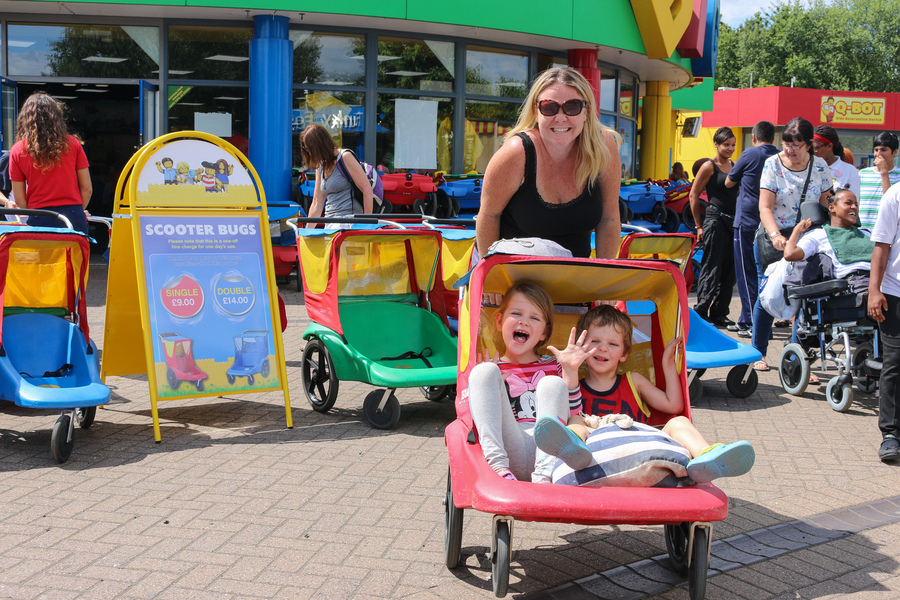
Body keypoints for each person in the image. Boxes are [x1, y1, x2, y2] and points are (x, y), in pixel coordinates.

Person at [534, 305, 754, 483]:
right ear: (582, 346)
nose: (603, 349)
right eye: (595, 342)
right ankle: (572, 449)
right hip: (596, 453)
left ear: (624, 353)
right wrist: (569, 369)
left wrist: (667, 365)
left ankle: (706, 457)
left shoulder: (633, 381)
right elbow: (569, 406)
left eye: (612, 344)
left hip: (639, 446)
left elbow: (673, 406)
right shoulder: (576, 386)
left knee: (678, 421)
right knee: (575, 420)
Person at [476, 67, 622, 259]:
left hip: (573, 277)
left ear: (586, 112)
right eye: (549, 107)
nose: (561, 117)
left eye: (572, 106)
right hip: (516, 276)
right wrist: (491, 276)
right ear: (536, 112)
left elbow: (609, 219)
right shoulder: (516, 153)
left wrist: (605, 274)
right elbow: (488, 216)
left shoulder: (603, 148)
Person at [467, 280, 581, 483]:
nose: (524, 322)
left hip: (550, 450)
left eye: (534, 318)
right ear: (500, 321)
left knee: (552, 383)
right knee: (482, 371)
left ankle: (544, 475)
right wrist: (491, 385)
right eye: (516, 314)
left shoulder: (555, 364)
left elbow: (574, 415)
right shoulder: (494, 370)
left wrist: (570, 372)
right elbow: (476, 420)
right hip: (509, 448)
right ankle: (497, 468)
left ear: (544, 332)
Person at [750, 117, 832, 372]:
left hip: (807, 241)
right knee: (768, 295)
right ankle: (757, 353)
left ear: (809, 145)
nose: (791, 150)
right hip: (775, 238)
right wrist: (776, 235)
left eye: (797, 145)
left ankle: (797, 361)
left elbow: (825, 206)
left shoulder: (819, 166)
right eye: (786, 144)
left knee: (805, 298)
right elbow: (765, 207)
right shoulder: (772, 164)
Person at [7, 92, 92, 234]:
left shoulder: (17, 150)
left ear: (26, 119)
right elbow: (87, 189)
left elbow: (20, 200)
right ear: (56, 117)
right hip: (72, 216)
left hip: (39, 216)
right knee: (73, 256)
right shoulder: (73, 144)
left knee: (42, 256)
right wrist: (76, 209)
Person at [725, 120, 778, 337]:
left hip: (747, 220)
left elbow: (729, 182)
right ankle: (762, 320)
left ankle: (749, 321)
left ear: (754, 137)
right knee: (768, 273)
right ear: (774, 139)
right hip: (772, 224)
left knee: (746, 273)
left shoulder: (749, 154)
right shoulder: (780, 157)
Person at [689, 127, 739, 328]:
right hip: (715, 220)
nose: (730, 148)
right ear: (716, 145)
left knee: (730, 270)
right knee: (712, 265)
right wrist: (698, 225)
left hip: (733, 222)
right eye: (726, 144)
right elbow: (694, 195)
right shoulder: (709, 166)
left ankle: (720, 312)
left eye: (733, 145)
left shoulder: (735, 166)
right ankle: (702, 310)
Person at [868, 179, 900, 462]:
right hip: (895, 292)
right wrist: (874, 290)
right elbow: (882, 245)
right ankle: (890, 434)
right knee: (895, 364)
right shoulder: (896, 194)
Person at [784, 189, 872, 281]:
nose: (854, 207)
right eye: (848, 203)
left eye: (856, 204)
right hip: (854, 283)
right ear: (831, 207)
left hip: (881, 281)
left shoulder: (866, 234)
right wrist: (796, 231)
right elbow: (790, 254)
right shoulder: (818, 235)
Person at [300, 123, 373, 227]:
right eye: (307, 149)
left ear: (320, 146)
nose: (310, 154)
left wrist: (366, 226)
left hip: (349, 222)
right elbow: (317, 203)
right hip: (330, 223)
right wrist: (306, 234)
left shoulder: (345, 157)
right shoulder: (320, 166)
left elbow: (367, 190)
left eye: (311, 150)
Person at [858, 132, 900, 229]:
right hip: (862, 231)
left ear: (895, 152)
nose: (878, 154)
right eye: (876, 150)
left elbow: (891, 202)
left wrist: (884, 173)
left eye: (883, 150)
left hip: (887, 231)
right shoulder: (862, 174)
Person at [813, 125, 860, 199]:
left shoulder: (849, 170)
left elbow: (853, 201)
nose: (813, 151)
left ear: (829, 146)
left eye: (816, 147)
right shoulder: (808, 167)